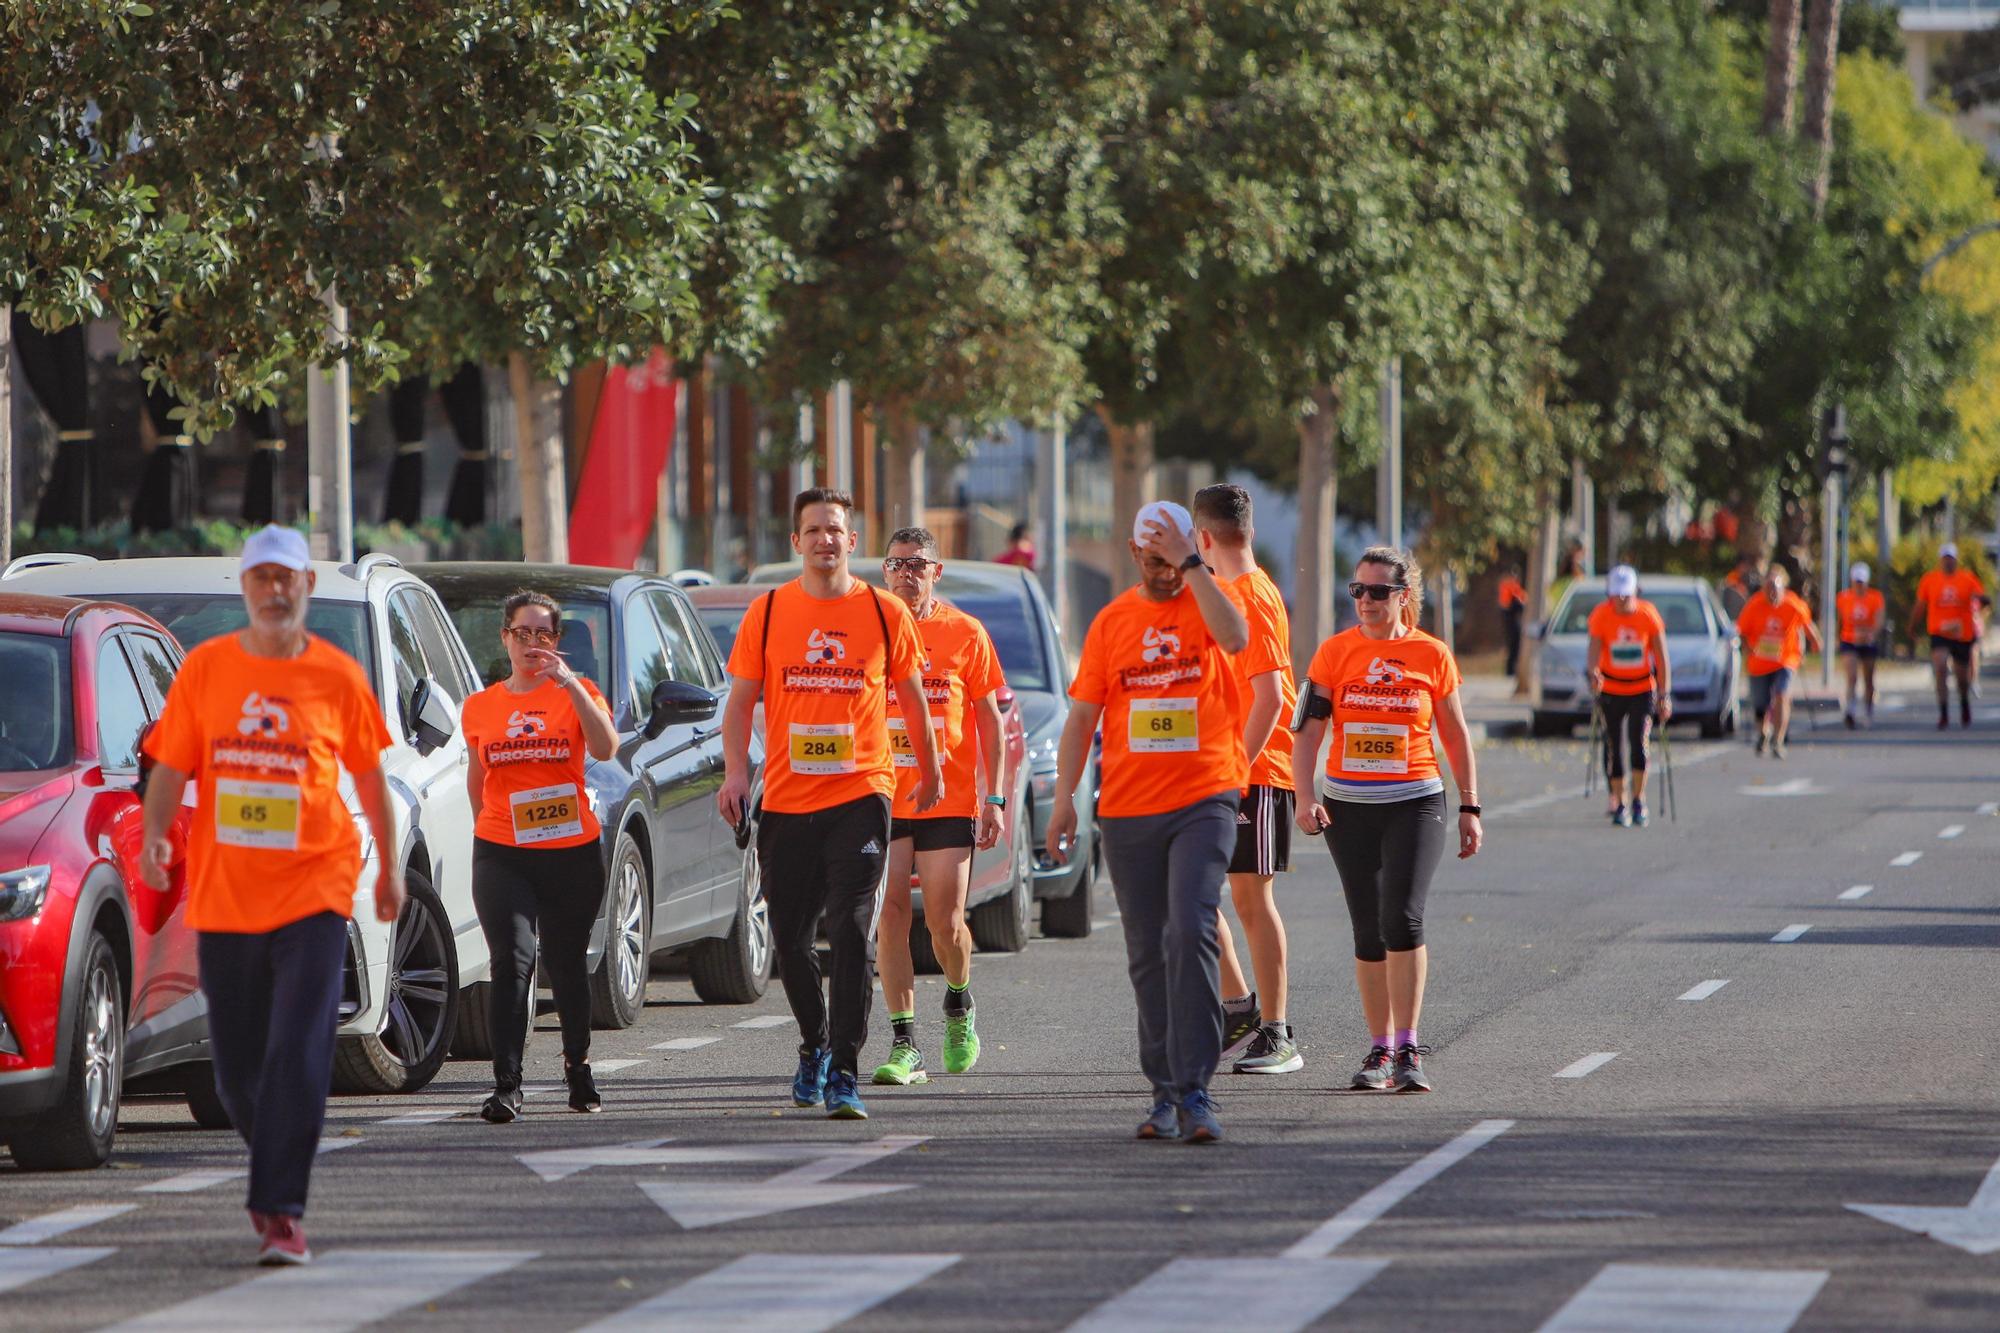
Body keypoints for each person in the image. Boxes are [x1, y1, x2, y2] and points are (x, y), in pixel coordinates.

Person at [137, 525, 401, 1266]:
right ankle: (276, 1156)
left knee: (300, 1046)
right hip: (227, 895)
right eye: (262, 579)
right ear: (246, 589)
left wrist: (390, 871)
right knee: (236, 1067)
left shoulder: (338, 676)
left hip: (317, 883)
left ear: (306, 588)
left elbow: (372, 776)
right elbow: (168, 762)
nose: (276, 591)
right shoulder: (207, 669)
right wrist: (159, 835)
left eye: (288, 578)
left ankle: (281, 1205)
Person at [718, 489, 940, 1120]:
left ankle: (845, 1068)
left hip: (861, 795)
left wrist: (930, 772)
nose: (824, 539)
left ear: (852, 540)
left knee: (848, 928)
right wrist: (737, 774)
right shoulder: (766, 613)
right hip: (787, 802)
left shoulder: (883, 612)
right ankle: (813, 1043)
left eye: (835, 529)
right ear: (796, 542)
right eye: (812, 529)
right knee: (789, 940)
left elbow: (915, 701)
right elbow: (738, 706)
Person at [1046, 500, 1249, 1142]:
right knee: (1147, 953)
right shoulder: (1112, 623)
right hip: (1129, 809)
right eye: (1155, 559)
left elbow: (1238, 638)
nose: (1165, 571)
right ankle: (1164, 1092)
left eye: (1176, 557)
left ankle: (1196, 1090)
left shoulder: (1208, 599)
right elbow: (1080, 719)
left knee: (1191, 929)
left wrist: (1193, 567)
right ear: (1135, 555)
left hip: (1206, 796)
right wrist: (1061, 802)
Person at [1291, 546, 1483, 1096]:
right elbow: (1306, 735)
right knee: (1368, 928)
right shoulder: (1332, 654)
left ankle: (1407, 1046)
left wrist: (1470, 806)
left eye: (1378, 592)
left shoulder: (1432, 654)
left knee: (1402, 917)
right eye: (1358, 591)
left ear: (1403, 596)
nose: (1366, 601)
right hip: (1348, 806)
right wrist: (1304, 798)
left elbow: (1455, 734)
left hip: (1415, 801)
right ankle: (1378, 1048)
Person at [460, 590, 618, 1123]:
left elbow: (605, 748)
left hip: (570, 852)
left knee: (566, 963)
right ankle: (507, 1086)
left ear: (557, 642)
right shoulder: (480, 706)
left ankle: (579, 1067)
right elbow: (477, 782)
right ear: (504, 637)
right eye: (522, 634)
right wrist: (493, 829)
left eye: (543, 635)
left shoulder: (578, 692)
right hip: (502, 850)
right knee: (512, 960)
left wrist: (569, 684)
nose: (533, 644)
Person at [871, 527, 1008, 1088]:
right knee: (891, 916)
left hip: (948, 797)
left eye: (918, 564)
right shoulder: (870, 628)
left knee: (946, 924)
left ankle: (958, 1004)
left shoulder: (965, 633)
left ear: (937, 571)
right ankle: (905, 1043)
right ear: (884, 571)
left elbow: (991, 720)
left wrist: (994, 797)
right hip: (882, 793)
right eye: (897, 564)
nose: (908, 573)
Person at [1190, 484, 1301, 1076]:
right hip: (1218, 771)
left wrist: (1236, 770)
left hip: (1255, 772)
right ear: (1249, 530)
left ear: (1203, 538)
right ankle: (1239, 1009)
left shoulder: (1253, 596)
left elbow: (1273, 695)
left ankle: (1277, 1032)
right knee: (1200, 894)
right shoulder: (1226, 591)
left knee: (1252, 900)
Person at [1586, 565, 1671, 828]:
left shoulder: (1648, 615)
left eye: (1626, 594)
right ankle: (1619, 801)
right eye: (1617, 595)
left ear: (1636, 591)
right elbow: (1594, 652)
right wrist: (1593, 674)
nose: (1621, 600)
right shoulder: (1601, 615)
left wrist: (1664, 694)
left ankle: (1638, 799)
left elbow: (1661, 657)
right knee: (1614, 747)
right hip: (1612, 689)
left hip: (1641, 689)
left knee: (1639, 743)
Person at [1737, 565, 1819, 758]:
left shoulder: (1793, 604)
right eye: (1768, 588)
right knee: (1760, 703)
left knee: (1782, 694)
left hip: (1785, 659)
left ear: (1783, 588)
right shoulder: (1754, 605)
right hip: (1759, 663)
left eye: (1775, 587)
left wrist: (1816, 641)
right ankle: (1763, 733)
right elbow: (1742, 631)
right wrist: (1748, 648)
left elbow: (1806, 624)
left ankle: (1779, 739)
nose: (1772, 592)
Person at [1908, 542, 1988, 730]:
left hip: (1962, 634)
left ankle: (1964, 703)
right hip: (1939, 632)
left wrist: (1979, 611)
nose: (1948, 563)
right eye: (1945, 559)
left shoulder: (1967, 579)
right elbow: (1920, 605)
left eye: (1951, 559)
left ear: (1956, 560)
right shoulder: (1930, 580)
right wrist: (1912, 625)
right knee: (1941, 668)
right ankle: (1943, 712)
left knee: (1961, 677)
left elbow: (1981, 600)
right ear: (1940, 560)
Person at [1835, 562, 1886, 729]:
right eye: (1856, 582)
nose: (1859, 586)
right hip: (1850, 640)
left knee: (1868, 678)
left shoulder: (1875, 597)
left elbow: (1879, 620)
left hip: (1868, 641)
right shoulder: (1843, 597)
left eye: (1862, 582)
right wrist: (1838, 638)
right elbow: (1840, 621)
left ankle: (1868, 710)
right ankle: (1850, 710)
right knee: (1851, 676)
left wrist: (1871, 634)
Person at [1497, 566, 1528, 677]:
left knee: (1512, 646)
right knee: (1514, 645)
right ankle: (1510, 670)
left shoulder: (1506, 585)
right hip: (1511, 619)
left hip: (1509, 618)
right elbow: (1520, 600)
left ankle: (1510, 669)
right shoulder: (1510, 585)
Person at [1720, 554, 1760, 621]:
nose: (1745, 568)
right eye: (1743, 565)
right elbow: (1731, 590)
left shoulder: (1749, 578)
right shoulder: (1732, 576)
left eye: (1747, 566)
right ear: (1738, 565)